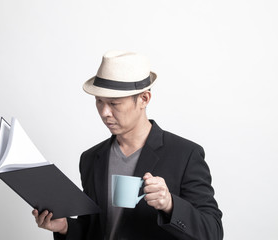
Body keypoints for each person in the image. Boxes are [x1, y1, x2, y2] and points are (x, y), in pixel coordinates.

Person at [32, 50, 223, 239]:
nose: (105, 112)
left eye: (114, 104)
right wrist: (65, 227)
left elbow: (213, 232)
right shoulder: (91, 158)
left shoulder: (185, 154)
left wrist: (170, 204)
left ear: (144, 99)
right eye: (99, 102)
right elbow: (94, 229)